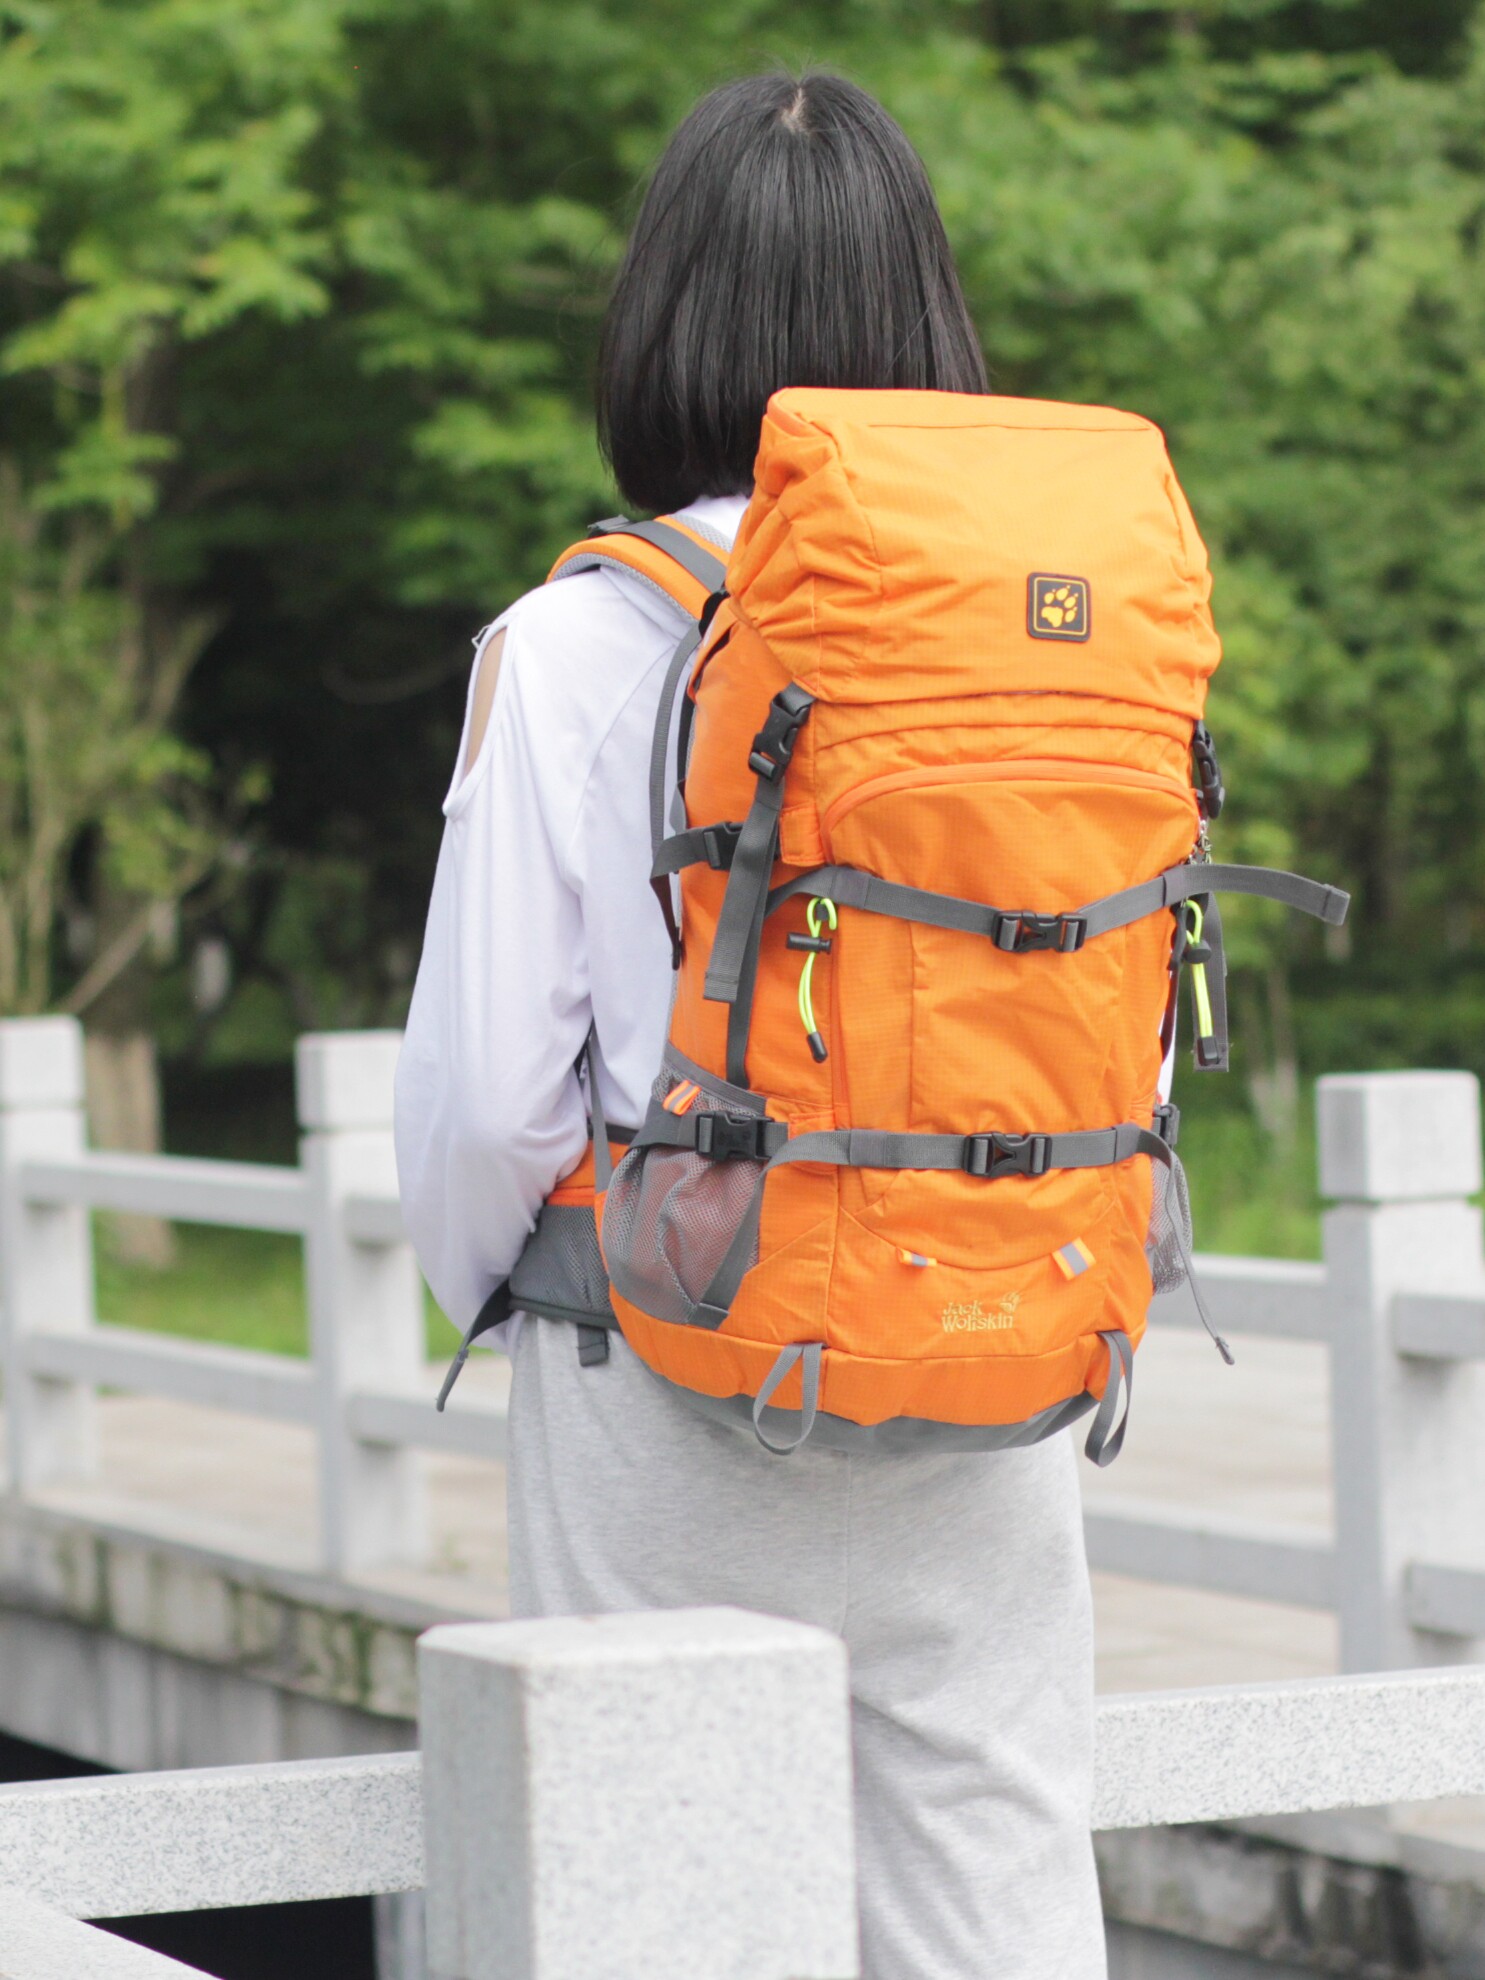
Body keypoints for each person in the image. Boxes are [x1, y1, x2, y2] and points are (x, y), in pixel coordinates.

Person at [395, 70, 1107, 1980]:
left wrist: (500, 1294)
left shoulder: (570, 641)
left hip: (667, 1364)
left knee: (657, 1903)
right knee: (991, 1902)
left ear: (662, 318)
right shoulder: (1040, 632)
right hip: (985, 1353)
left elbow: (485, 1097)